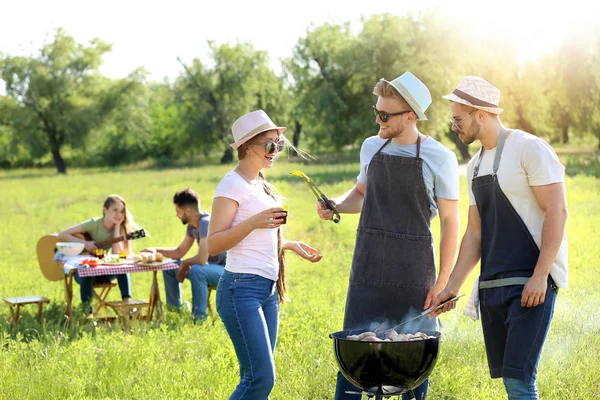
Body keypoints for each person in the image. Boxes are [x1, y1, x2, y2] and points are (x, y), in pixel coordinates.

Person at [316, 72, 460, 400]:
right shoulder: (371, 147)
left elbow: (451, 221)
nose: (378, 120)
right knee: (355, 357)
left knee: (412, 358)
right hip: (368, 271)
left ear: (410, 117)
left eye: (385, 115)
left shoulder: (440, 158)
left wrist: (443, 283)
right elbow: (361, 194)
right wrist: (336, 205)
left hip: (414, 275)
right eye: (376, 111)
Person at [430, 76, 568, 400]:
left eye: (458, 119)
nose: (454, 127)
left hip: (531, 284)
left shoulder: (528, 149)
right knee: (510, 379)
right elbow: (475, 234)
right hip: (493, 286)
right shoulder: (475, 166)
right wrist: (451, 287)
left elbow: (556, 212)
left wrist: (539, 275)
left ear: (480, 114)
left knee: (520, 380)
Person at [207, 109, 323, 400]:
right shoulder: (231, 185)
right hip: (239, 290)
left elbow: (257, 240)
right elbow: (214, 245)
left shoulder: (258, 183)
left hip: (267, 290)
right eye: (270, 145)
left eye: (279, 144)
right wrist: (253, 222)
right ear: (247, 147)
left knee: (259, 381)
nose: (276, 151)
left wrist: (291, 244)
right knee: (259, 379)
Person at [142, 188, 227, 323]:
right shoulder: (193, 225)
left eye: (178, 211)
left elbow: (201, 259)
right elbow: (179, 252)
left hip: (225, 270)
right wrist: (154, 249)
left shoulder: (205, 223)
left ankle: (199, 318)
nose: (177, 215)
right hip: (209, 268)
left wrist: (185, 264)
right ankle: (175, 311)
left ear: (187, 210)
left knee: (197, 270)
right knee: (170, 266)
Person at [58, 194, 137, 312]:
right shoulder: (94, 224)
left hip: (103, 271)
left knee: (122, 267)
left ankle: (127, 303)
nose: (118, 214)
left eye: (121, 211)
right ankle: (87, 311)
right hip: (84, 273)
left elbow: (117, 256)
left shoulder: (120, 228)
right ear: (105, 210)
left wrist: (116, 229)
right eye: (115, 210)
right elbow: (62, 234)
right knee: (87, 271)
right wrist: (85, 244)